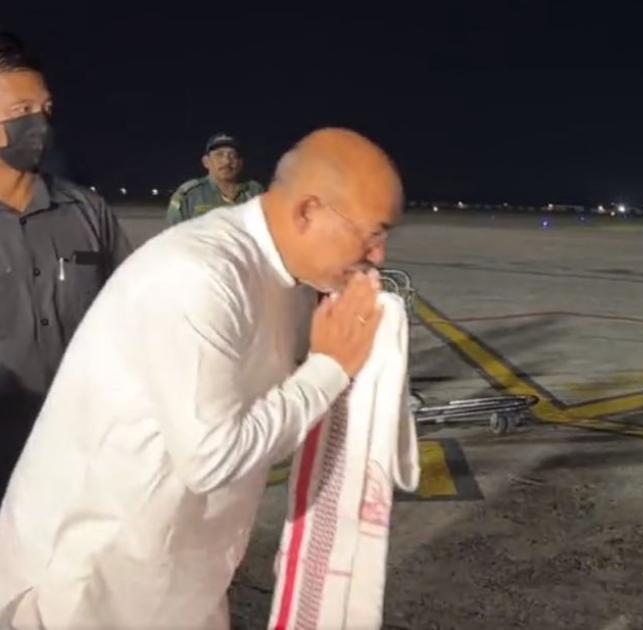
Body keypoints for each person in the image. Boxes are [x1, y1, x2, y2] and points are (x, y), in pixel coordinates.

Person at [0, 127, 403, 629]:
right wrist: (328, 369)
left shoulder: (288, 282)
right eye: (372, 233)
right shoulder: (198, 275)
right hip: (84, 579)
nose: (378, 255)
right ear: (308, 212)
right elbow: (212, 458)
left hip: (175, 570)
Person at [0, 30, 131, 494]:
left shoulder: (87, 212)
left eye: (46, 108)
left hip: (80, 456)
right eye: (22, 111)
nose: (39, 123)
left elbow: (131, 316)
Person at [165, 132, 265, 225]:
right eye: (219, 155)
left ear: (240, 163)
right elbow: (173, 235)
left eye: (233, 155)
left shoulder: (255, 192)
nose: (227, 161)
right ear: (206, 162)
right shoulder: (188, 195)